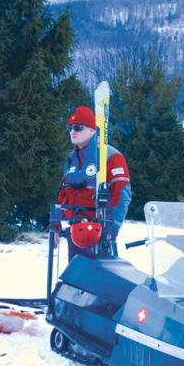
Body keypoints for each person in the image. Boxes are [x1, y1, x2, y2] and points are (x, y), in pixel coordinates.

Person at [54, 106, 131, 260]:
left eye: (78, 127)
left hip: (98, 232)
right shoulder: (71, 159)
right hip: (75, 231)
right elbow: (63, 194)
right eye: (70, 128)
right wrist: (55, 224)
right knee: (76, 272)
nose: (72, 131)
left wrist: (112, 229)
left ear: (92, 130)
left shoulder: (111, 155)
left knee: (98, 273)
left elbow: (122, 195)